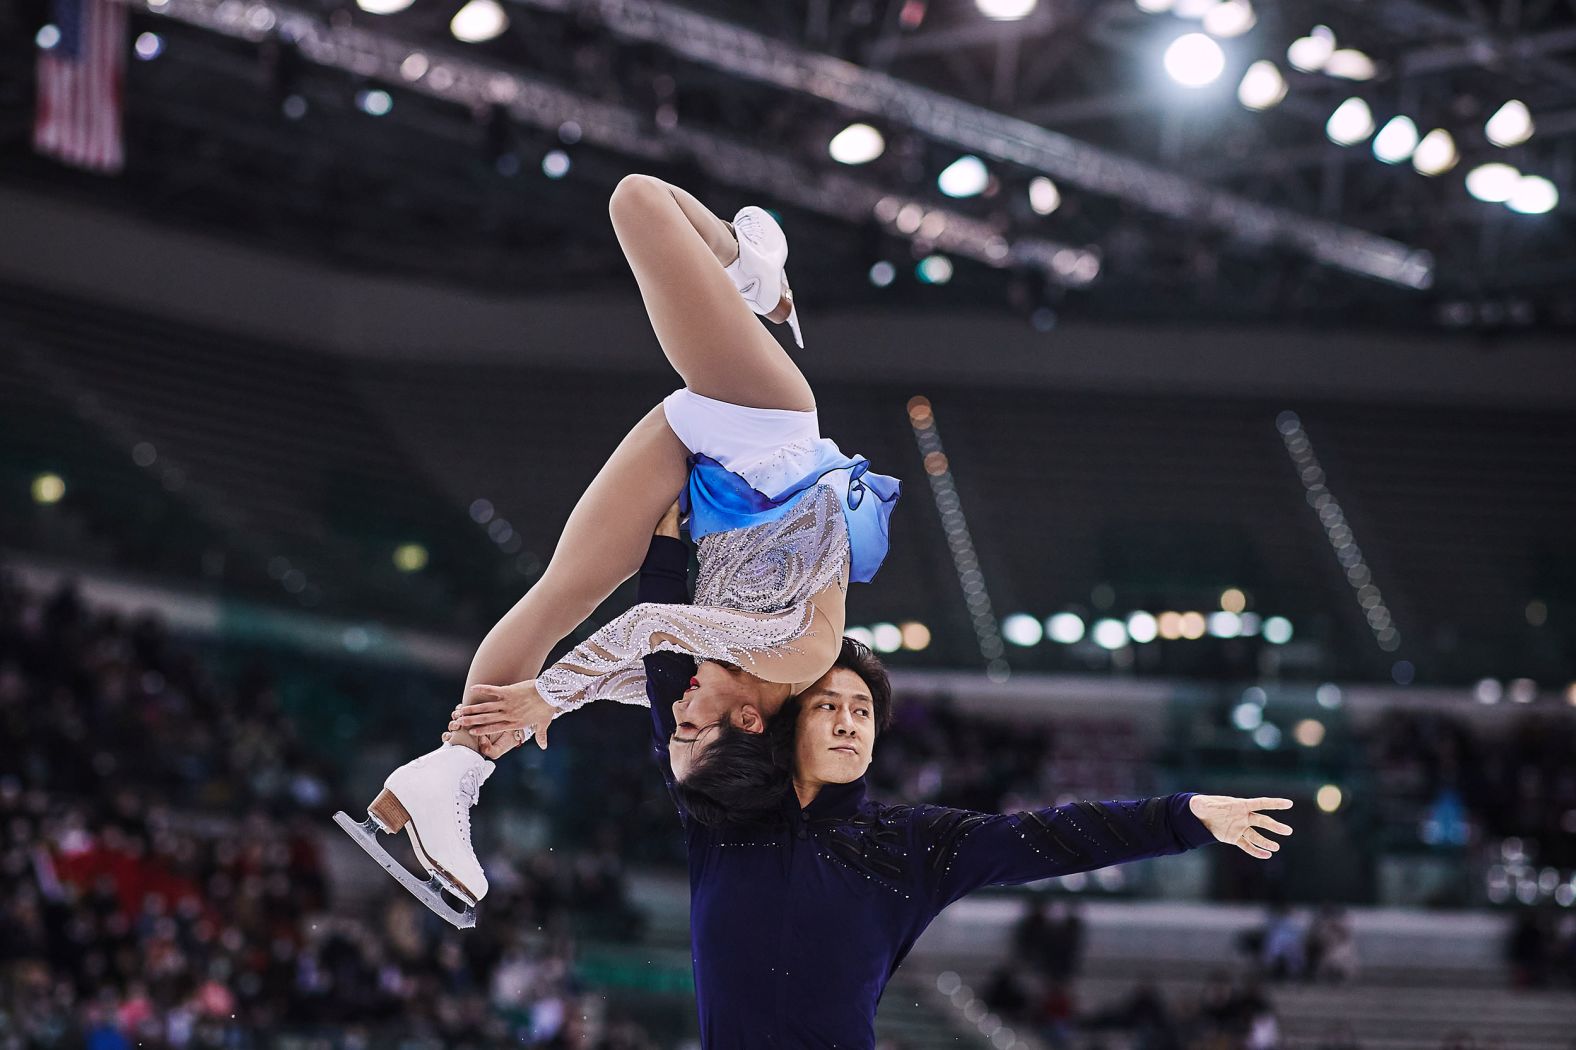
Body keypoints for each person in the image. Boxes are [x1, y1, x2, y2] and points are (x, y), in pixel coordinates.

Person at [452, 520, 1296, 1046]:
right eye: (832, 706)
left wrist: (1185, 815)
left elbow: (1053, 836)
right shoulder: (725, 808)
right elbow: (677, 680)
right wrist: (667, 554)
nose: (852, 721)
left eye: (863, 710)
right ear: (791, 724)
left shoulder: (914, 845)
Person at [335, 175, 899, 927]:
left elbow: (631, 674)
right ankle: (753, 263)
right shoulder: (799, 656)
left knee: (560, 592)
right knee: (637, 201)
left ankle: (450, 775)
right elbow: (646, 633)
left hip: (708, 483)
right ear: (752, 723)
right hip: (767, 428)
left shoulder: (721, 691)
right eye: (692, 726)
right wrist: (549, 698)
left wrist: (534, 713)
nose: (677, 715)